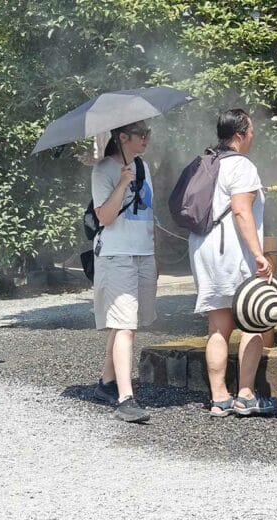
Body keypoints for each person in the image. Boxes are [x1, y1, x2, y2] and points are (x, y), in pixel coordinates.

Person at [189, 109, 277, 417]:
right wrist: (258, 254)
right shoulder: (241, 166)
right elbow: (241, 210)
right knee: (253, 319)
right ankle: (245, 395)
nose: (254, 135)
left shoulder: (209, 163)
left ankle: (219, 398)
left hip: (204, 248)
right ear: (240, 134)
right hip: (233, 251)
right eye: (251, 130)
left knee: (218, 325)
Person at [90, 120, 156, 423]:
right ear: (123, 137)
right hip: (116, 254)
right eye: (141, 134)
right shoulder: (103, 169)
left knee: (127, 322)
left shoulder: (144, 165)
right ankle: (125, 398)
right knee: (125, 325)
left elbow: (147, 213)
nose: (146, 138)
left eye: (148, 133)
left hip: (143, 252)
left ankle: (106, 382)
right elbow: (103, 216)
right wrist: (121, 183)